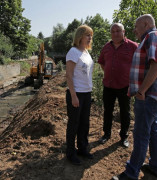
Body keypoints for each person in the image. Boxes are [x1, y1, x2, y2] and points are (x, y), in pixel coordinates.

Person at [113, 14, 157, 180]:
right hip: (153, 95)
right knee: (153, 130)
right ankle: (155, 167)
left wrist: (141, 91)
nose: (134, 30)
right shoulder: (156, 38)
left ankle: (131, 173)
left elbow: (156, 66)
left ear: (146, 24)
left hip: (148, 97)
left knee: (140, 134)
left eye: (136, 26)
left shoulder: (152, 36)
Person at [97, 23, 138, 148]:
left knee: (125, 112)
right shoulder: (107, 47)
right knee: (107, 111)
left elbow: (139, 64)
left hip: (125, 86)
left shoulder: (132, 46)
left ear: (124, 31)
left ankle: (124, 137)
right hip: (108, 85)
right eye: (113, 31)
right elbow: (102, 62)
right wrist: (110, 73)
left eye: (118, 31)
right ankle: (106, 134)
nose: (115, 33)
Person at [65, 25, 94, 165]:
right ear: (80, 36)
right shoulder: (73, 52)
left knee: (84, 123)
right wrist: (73, 95)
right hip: (76, 94)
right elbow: (69, 76)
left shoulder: (86, 53)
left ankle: (82, 148)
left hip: (87, 93)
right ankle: (70, 153)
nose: (90, 38)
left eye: (90, 35)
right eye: (87, 35)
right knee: (74, 124)